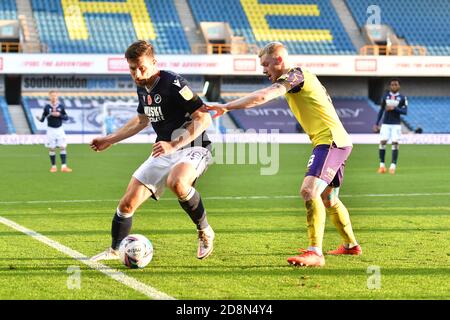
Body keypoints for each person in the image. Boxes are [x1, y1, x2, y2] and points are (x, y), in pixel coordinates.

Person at [207, 42, 361, 267]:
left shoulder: (295, 76)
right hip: (336, 140)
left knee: (309, 191)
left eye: (266, 64)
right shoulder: (301, 76)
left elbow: (263, 97)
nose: (263, 70)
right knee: (329, 198)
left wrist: (227, 106)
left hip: (330, 141)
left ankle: (315, 253)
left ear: (279, 59)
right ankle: (350, 245)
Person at [90, 40, 215, 261]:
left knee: (177, 182)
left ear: (154, 62)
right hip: (163, 149)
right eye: (132, 68)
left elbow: (203, 117)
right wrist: (110, 139)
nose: (137, 73)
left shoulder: (174, 83)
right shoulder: (142, 87)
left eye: (142, 67)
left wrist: (174, 144)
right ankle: (115, 250)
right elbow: (141, 121)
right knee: (127, 203)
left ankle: (205, 231)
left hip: (193, 146)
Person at [374, 79, 408, 174]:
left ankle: (392, 167)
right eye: (392, 85)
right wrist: (377, 123)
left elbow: (405, 111)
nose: (394, 86)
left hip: (396, 124)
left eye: (395, 84)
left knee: (395, 144)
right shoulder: (385, 96)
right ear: (390, 86)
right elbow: (381, 110)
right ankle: (382, 166)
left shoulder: (402, 98)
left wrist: (394, 108)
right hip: (385, 124)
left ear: (399, 86)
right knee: (382, 142)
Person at [36, 90, 72, 173]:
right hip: (50, 130)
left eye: (55, 96)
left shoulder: (61, 106)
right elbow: (42, 119)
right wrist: (38, 118)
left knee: (63, 147)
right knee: (51, 148)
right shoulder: (47, 107)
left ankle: (64, 167)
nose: (53, 97)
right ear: (49, 97)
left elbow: (66, 117)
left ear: (57, 96)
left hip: (60, 129)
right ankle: (53, 167)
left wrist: (60, 115)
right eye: (52, 96)